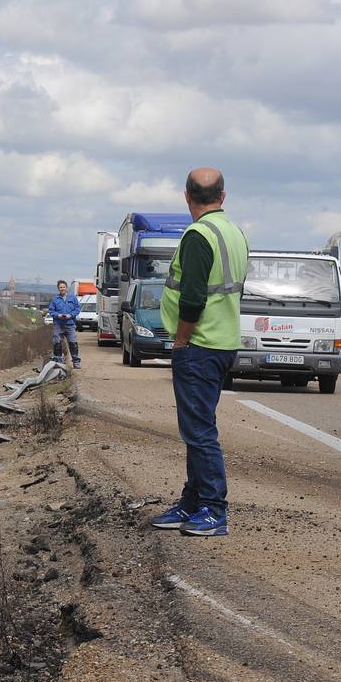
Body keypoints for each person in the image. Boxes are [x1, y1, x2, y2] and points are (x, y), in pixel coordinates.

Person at [149, 167, 248, 537]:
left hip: (199, 345)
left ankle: (213, 508)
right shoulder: (235, 233)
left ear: (186, 197)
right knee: (197, 428)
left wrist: (180, 340)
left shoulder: (197, 235)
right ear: (223, 196)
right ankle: (192, 502)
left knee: (200, 431)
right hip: (223, 343)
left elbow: (192, 298)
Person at [46, 279, 82, 369]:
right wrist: (58, 315)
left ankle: (76, 362)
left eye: (63, 287)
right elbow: (51, 311)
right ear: (58, 289)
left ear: (66, 288)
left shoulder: (72, 298)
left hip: (70, 324)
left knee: (73, 343)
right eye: (60, 287)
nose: (62, 288)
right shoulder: (55, 299)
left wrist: (71, 315)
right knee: (57, 343)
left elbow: (77, 309)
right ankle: (58, 361)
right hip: (58, 324)